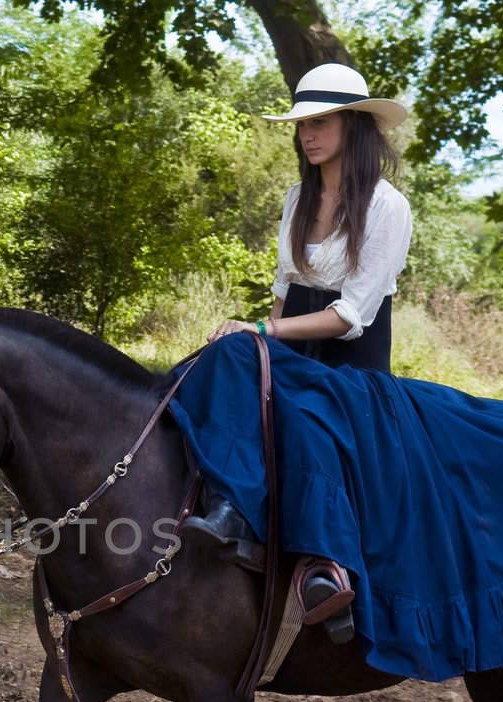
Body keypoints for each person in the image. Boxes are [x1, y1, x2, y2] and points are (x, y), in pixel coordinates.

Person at [183, 62, 411, 643]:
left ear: (353, 125)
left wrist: (260, 332)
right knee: (208, 369)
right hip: (294, 347)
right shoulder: (296, 198)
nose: (306, 134)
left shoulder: (387, 206)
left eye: (320, 122)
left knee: (304, 420)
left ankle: (325, 570)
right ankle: (226, 510)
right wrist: (259, 346)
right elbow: (285, 295)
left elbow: (349, 317)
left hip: (350, 367)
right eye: (301, 124)